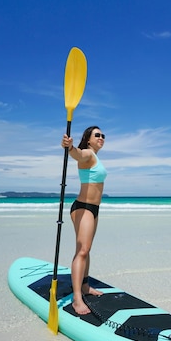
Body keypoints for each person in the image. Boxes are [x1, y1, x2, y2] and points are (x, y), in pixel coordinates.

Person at [61, 126, 107, 315]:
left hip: (94, 209)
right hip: (83, 207)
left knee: (86, 250)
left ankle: (85, 285)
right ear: (88, 139)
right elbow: (78, 155)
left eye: (103, 135)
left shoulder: (95, 157)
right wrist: (70, 148)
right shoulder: (87, 154)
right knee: (82, 250)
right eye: (97, 135)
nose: (101, 138)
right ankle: (77, 298)